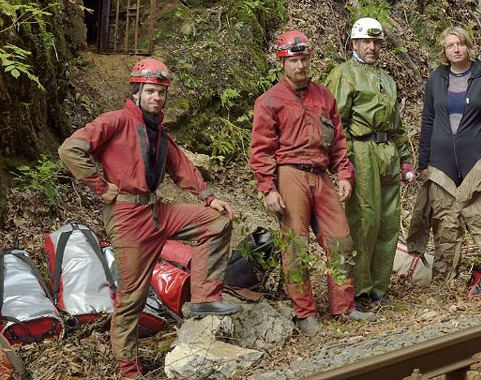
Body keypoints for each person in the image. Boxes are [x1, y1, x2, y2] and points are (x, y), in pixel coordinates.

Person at [58, 57, 240, 380]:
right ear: (137, 91)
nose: (157, 98)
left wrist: (209, 196)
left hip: (156, 211)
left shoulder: (158, 131)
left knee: (216, 222)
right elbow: (70, 149)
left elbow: (181, 166)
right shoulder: (116, 121)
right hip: (127, 216)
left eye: (161, 93)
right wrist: (100, 186)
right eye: (151, 92)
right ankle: (128, 370)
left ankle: (204, 299)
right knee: (132, 297)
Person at [249, 30, 374, 337]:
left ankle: (343, 306)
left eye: (305, 59)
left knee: (341, 239)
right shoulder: (269, 101)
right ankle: (304, 312)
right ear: (283, 63)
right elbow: (261, 148)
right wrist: (268, 187)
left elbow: (338, 140)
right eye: (294, 60)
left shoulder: (324, 96)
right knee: (295, 245)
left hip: (321, 175)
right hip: (289, 173)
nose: (301, 65)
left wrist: (344, 173)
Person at [408, 26, 481, 286]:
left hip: (476, 162)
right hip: (441, 164)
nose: (456, 49)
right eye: (450, 45)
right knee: (445, 225)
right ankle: (445, 285)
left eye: (460, 44)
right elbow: (428, 121)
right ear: (444, 51)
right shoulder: (436, 79)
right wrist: (423, 163)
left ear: (468, 46)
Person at [324, 17, 415, 306]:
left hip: (386, 150)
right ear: (354, 43)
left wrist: (404, 159)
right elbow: (334, 123)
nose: (372, 47)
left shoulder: (386, 80)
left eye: (376, 42)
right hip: (361, 152)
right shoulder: (343, 75)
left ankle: (378, 287)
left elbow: (397, 124)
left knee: (388, 222)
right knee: (364, 221)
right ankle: (359, 289)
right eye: (366, 42)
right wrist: (342, 161)